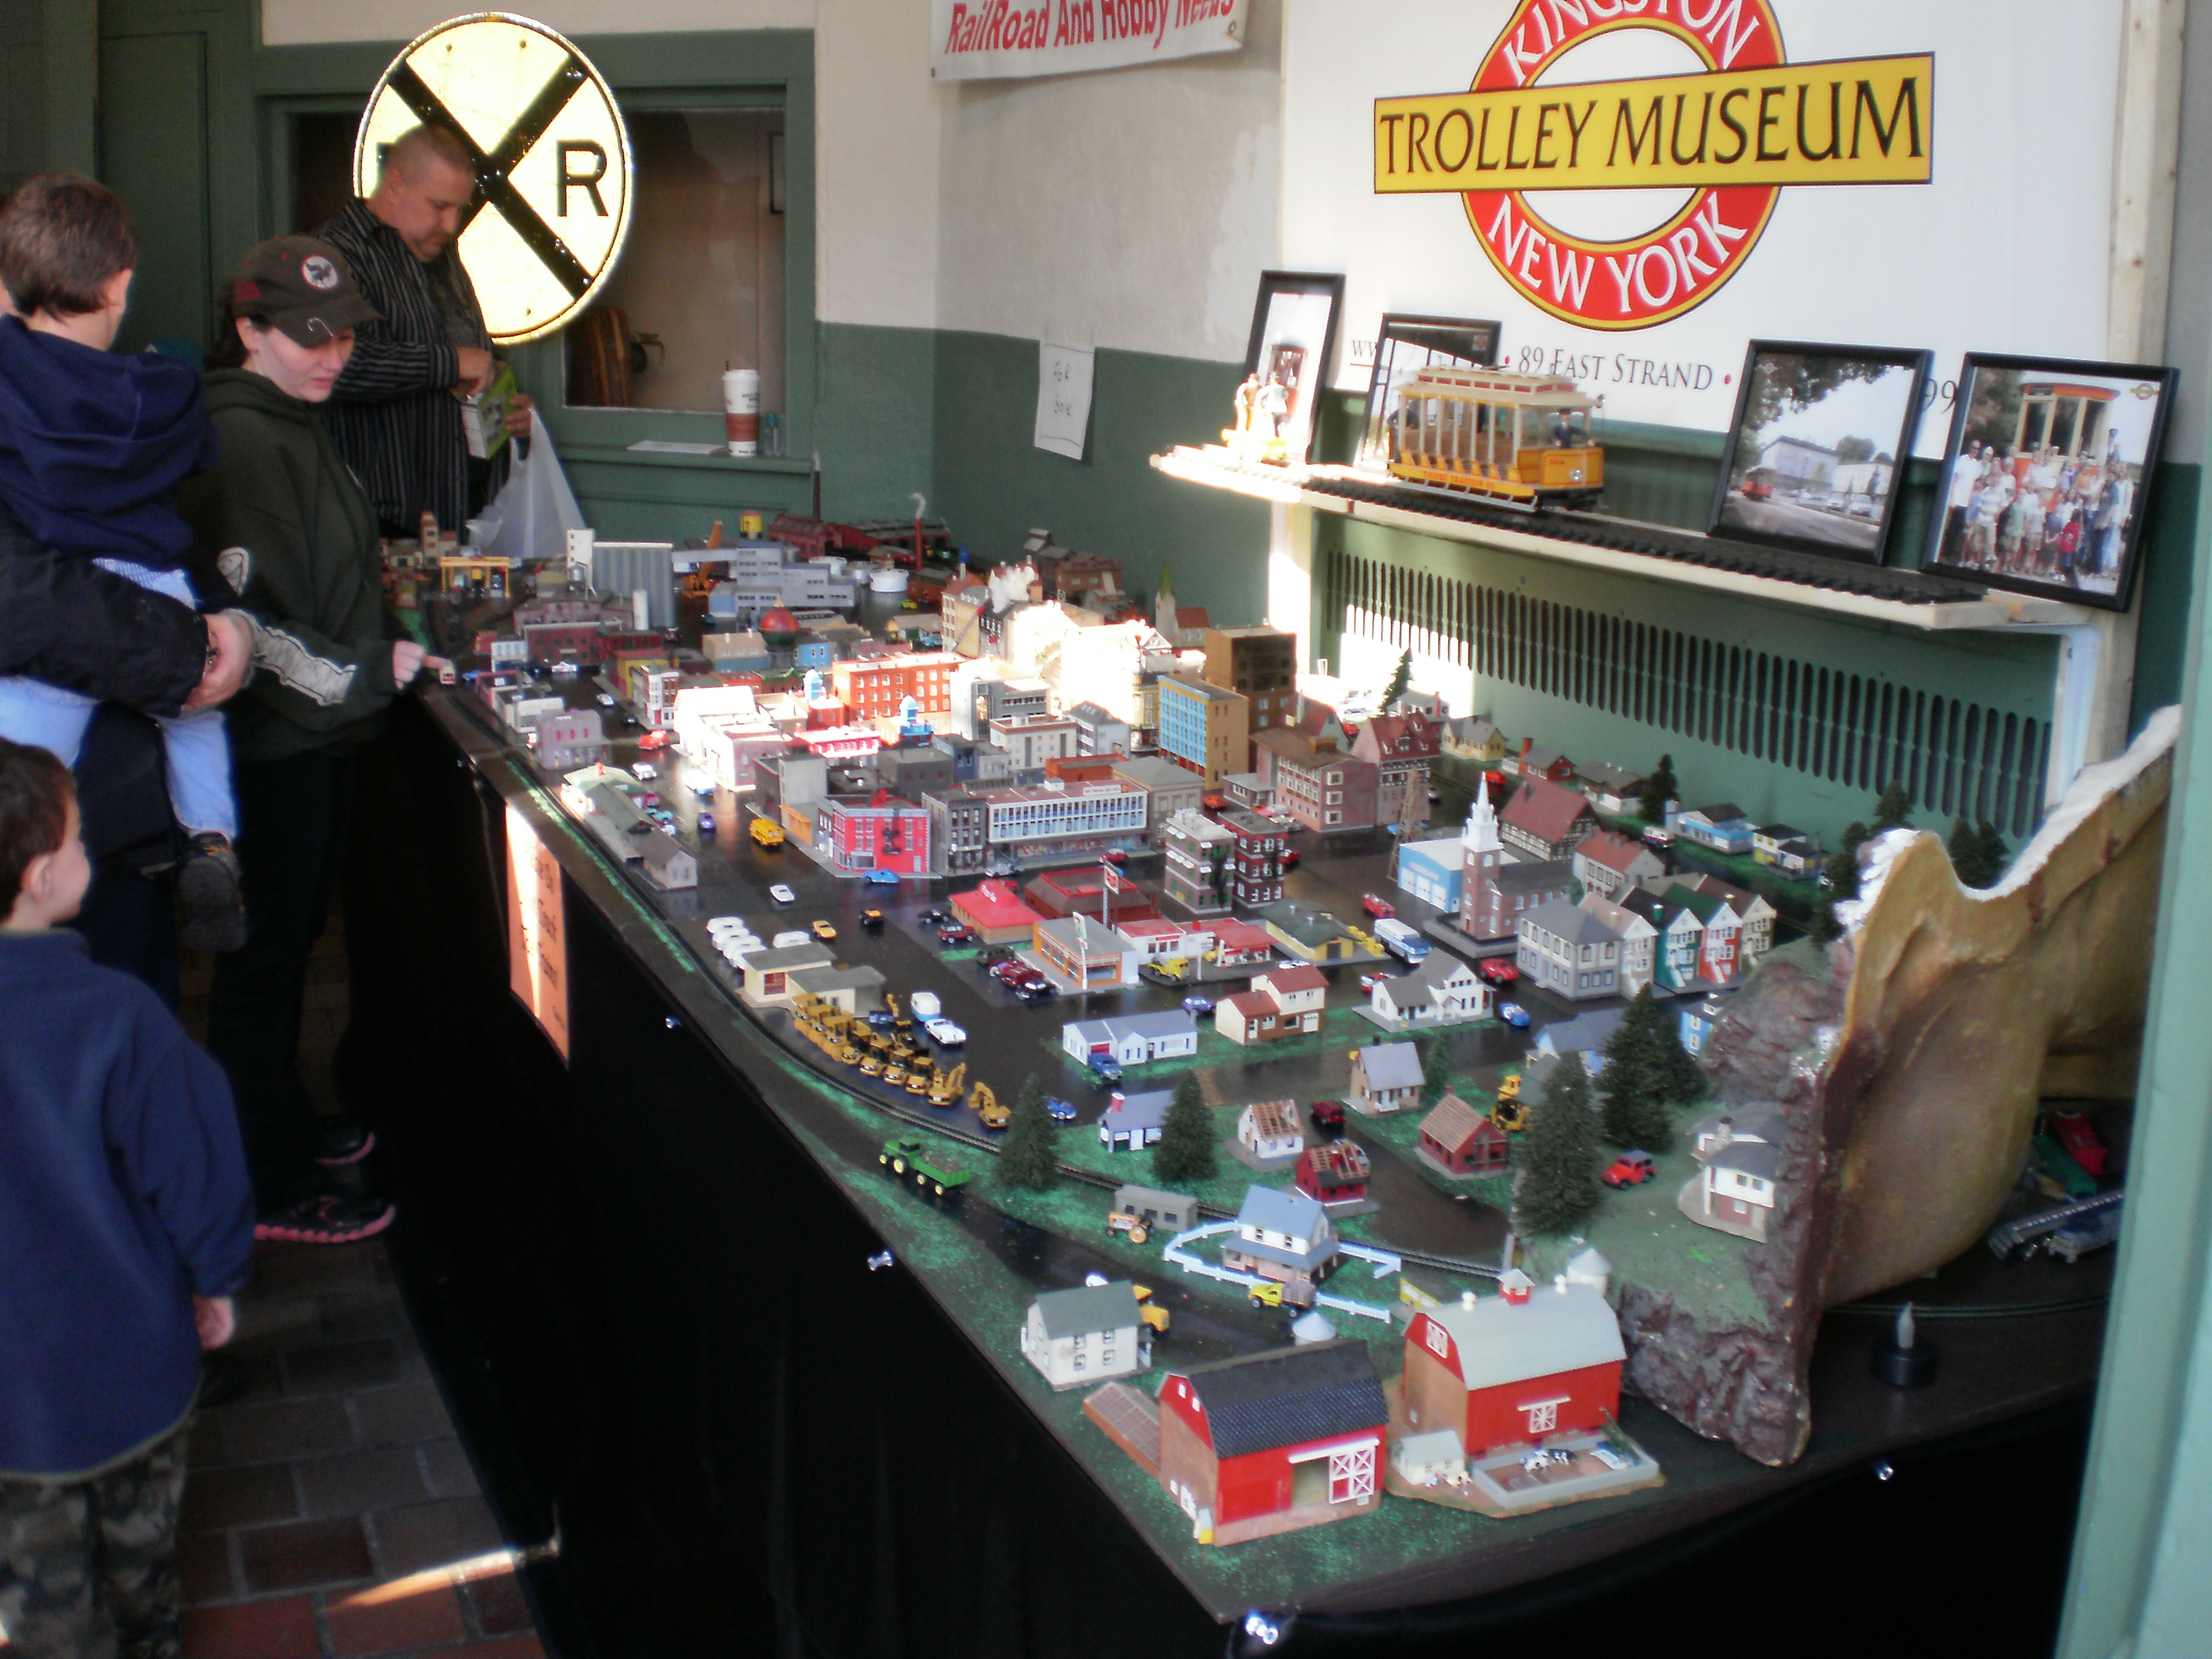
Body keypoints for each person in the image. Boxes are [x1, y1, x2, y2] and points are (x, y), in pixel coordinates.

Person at [181, 236, 426, 1245]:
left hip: (314, 741)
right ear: (249, 330)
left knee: (286, 953)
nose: (333, 356)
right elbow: (250, 625)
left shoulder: (293, 416)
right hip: (273, 746)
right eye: (309, 337)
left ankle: (278, 1121)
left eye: (344, 337)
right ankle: (269, 1179)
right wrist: (369, 671)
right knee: (264, 964)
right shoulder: (240, 436)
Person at [0, 737, 255, 1659]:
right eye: (77, 838)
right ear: (41, 877)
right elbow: (194, 1167)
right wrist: (216, 1279)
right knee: (144, 1558)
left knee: (40, 1593)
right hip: (131, 1362)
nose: (88, 850)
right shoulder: (119, 1016)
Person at [0, 173, 246, 950]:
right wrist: (209, 639)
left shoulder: (12, 382)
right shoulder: (160, 393)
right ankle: (213, 841)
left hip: (62, 651)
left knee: (20, 783)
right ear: (121, 284)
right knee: (197, 720)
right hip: (152, 586)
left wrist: (227, 626)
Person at [315, 124, 532, 539]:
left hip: (467, 514)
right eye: (439, 206)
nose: (451, 224)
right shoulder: (335, 253)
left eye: (459, 209)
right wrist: (449, 363)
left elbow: (473, 358)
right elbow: (337, 365)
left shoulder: (442, 255)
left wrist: (505, 405)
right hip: (383, 523)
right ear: (396, 186)